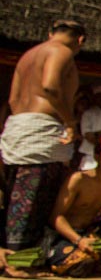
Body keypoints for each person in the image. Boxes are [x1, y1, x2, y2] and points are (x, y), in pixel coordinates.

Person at [2, 19, 85, 257]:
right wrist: (69, 121)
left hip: (18, 126)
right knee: (35, 198)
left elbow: (12, 100)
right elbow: (50, 86)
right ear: (81, 40)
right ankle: (18, 259)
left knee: (15, 197)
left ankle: (12, 254)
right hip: (42, 128)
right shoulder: (62, 52)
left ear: (50, 33)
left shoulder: (27, 56)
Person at [46, 133, 101, 276]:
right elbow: (56, 217)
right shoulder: (79, 179)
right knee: (79, 263)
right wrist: (78, 240)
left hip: (90, 234)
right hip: (66, 235)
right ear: (97, 156)